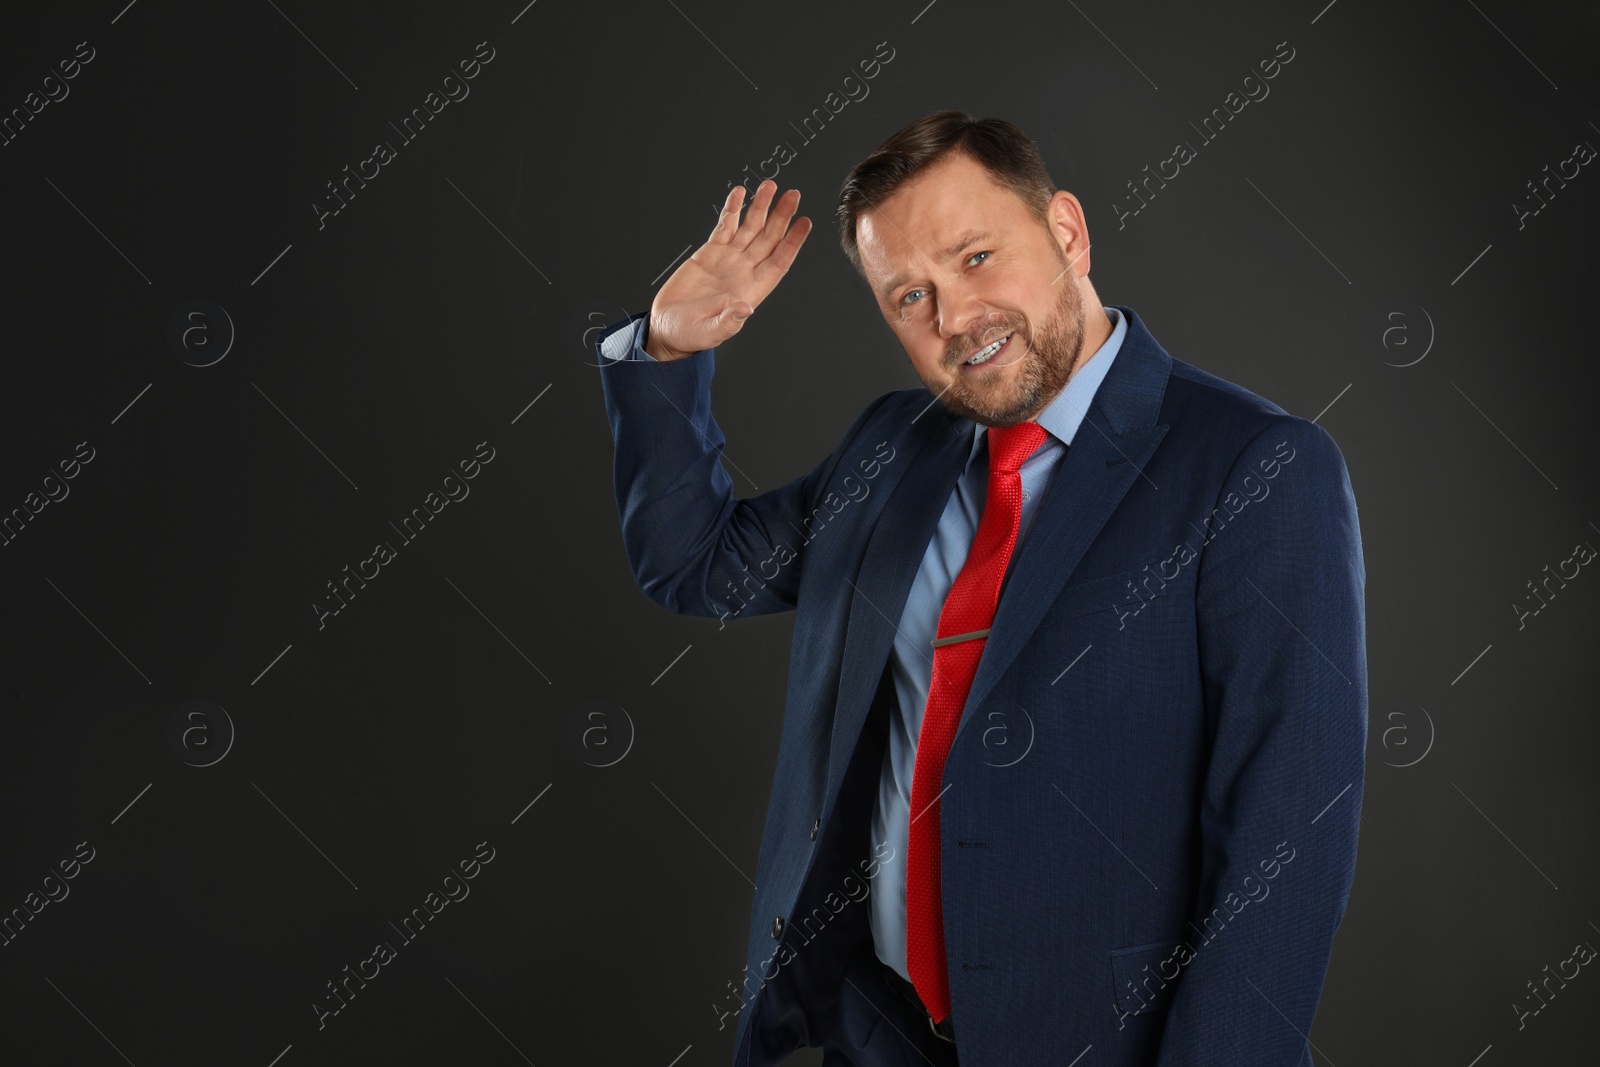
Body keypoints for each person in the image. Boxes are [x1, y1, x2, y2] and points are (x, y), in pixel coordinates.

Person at [594, 110, 1366, 1067]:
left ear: (1069, 235)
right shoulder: (891, 449)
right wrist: (669, 350)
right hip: (878, 1031)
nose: (954, 317)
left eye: (976, 258)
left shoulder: (1255, 467)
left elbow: (1286, 847)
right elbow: (695, 563)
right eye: (909, 295)